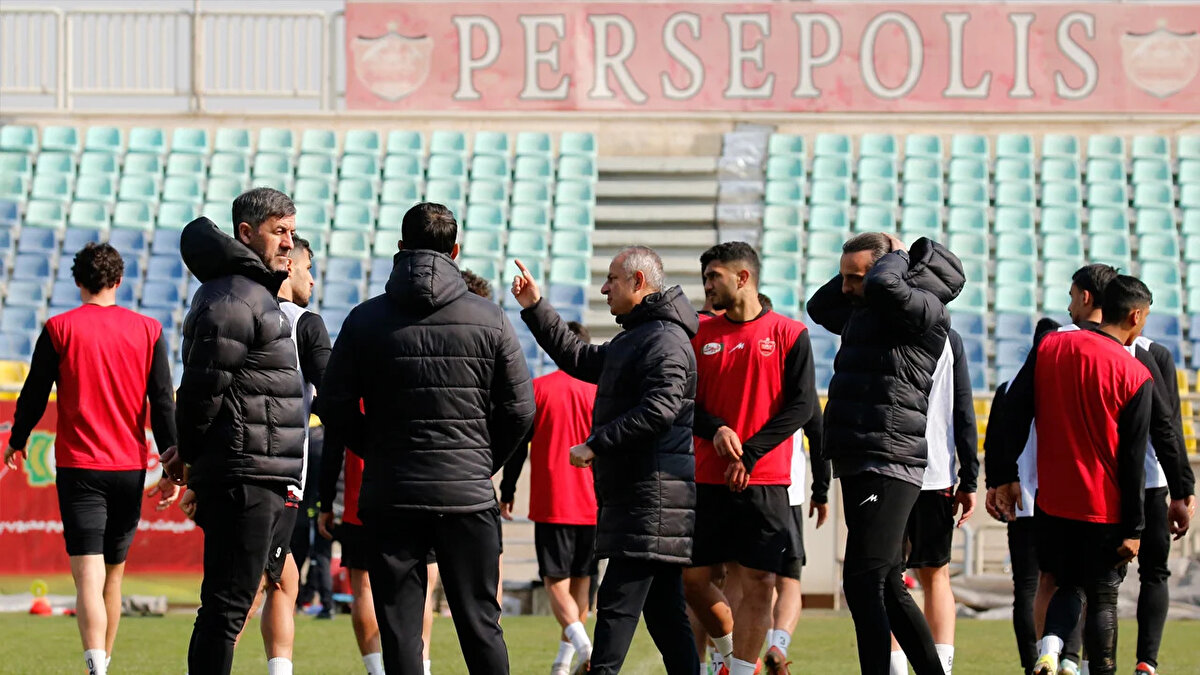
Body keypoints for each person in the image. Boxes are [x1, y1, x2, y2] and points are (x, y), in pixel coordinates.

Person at [318, 202, 535, 675]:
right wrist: (481, 462)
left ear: (399, 249)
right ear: (455, 251)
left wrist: (375, 451)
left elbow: (332, 405)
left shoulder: (363, 320)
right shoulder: (491, 318)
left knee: (400, 632)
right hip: (466, 495)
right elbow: (522, 410)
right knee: (481, 625)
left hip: (392, 495)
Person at [996, 265, 1196, 675]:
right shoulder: (1136, 371)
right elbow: (1136, 456)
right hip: (1103, 504)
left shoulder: (1050, 347)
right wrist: (1136, 527)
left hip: (1051, 501)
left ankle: (1050, 649)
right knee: (1103, 597)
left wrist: (1001, 475)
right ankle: (1100, 668)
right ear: (1136, 316)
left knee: (1065, 583)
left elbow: (1013, 412)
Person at [511, 246, 699, 675]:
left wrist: (597, 443)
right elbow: (581, 358)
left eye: (612, 279)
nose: (603, 288)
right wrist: (536, 308)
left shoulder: (664, 339)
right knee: (667, 619)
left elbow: (660, 408)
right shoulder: (640, 336)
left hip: (651, 502)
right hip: (645, 500)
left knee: (615, 609)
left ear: (638, 282)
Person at [4, 243, 178, 675]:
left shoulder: (59, 327)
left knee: (88, 578)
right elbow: (163, 403)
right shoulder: (149, 330)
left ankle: (95, 667)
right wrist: (174, 465)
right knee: (113, 578)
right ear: (119, 281)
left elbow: (34, 393)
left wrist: (18, 440)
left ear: (78, 281)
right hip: (130, 468)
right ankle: (105, 663)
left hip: (81, 468)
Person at [806, 232, 964, 675]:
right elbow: (819, 307)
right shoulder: (869, 308)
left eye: (855, 278)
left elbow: (884, 287)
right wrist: (857, 272)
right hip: (861, 453)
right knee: (887, 583)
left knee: (862, 582)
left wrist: (892, 259)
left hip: (890, 455)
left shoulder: (926, 309)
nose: (846, 288)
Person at [167, 189, 309, 675]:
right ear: (246, 234)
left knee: (233, 605)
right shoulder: (233, 296)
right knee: (227, 610)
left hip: (260, 471)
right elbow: (203, 389)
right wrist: (187, 456)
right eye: (279, 231)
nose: (289, 242)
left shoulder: (248, 292)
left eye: (291, 231)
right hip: (245, 474)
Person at [684, 242, 819, 675]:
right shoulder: (698, 335)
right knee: (694, 580)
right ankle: (727, 656)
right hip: (706, 477)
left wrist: (753, 452)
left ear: (743, 278)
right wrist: (717, 429)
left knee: (760, 581)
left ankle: (740, 670)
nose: (706, 286)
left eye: (714, 277)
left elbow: (801, 407)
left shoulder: (790, 333)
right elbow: (684, 402)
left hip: (766, 481)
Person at [250, 235, 333, 674]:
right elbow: (335, 399)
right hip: (278, 473)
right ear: (288, 267)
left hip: (236, 469)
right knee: (247, 587)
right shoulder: (304, 323)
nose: (312, 279)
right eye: (308, 268)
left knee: (284, 577)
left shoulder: (229, 308)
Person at [498, 321, 599, 675]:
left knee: (555, 581)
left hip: (555, 500)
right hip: (594, 503)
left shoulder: (538, 389)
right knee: (583, 580)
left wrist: (507, 490)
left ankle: (583, 647)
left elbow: (516, 449)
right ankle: (563, 663)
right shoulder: (601, 392)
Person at [889, 327, 978, 675]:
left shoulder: (877, 327)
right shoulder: (949, 338)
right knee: (936, 576)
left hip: (889, 471)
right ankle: (940, 669)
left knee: (887, 578)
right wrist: (969, 476)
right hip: (935, 472)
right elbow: (964, 410)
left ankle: (895, 669)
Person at [982, 319, 1058, 675]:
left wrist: (994, 485)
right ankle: (1063, 656)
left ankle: (1032, 664)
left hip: (1020, 500)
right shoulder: (1062, 385)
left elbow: (993, 442)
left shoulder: (1010, 388)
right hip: (1059, 500)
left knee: (1026, 587)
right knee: (1061, 583)